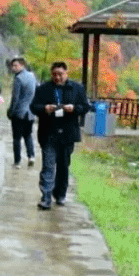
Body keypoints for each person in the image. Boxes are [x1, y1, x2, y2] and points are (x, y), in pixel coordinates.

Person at [30, 61, 90, 209]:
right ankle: (45, 197)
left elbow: (86, 107)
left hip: (68, 133)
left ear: (66, 73)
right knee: (48, 166)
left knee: (63, 167)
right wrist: (45, 108)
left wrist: (74, 108)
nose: (57, 77)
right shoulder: (43, 88)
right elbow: (33, 107)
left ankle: (60, 194)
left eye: (60, 74)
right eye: (55, 74)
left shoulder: (77, 88)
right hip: (48, 132)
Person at [8, 57, 37, 169]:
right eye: (12, 66)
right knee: (28, 135)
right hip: (30, 113)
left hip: (19, 113)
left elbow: (15, 98)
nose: (14, 68)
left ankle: (17, 162)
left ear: (22, 65)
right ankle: (31, 156)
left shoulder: (18, 79)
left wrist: (11, 111)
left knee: (16, 138)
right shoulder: (32, 76)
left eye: (16, 65)